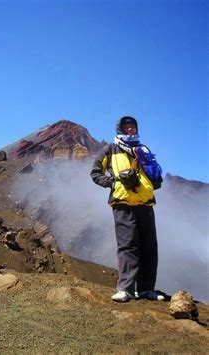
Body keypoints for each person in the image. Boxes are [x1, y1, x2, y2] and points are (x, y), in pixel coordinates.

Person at [90, 116, 164, 302]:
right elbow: (95, 172)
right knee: (128, 245)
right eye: (127, 127)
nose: (130, 129)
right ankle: (126, 289)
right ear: (120, 129)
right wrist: (113, 183)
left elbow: (156, 177)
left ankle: (146, 289)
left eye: (133, 127)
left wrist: (151, 181)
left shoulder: (142, 150)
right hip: (122, 203)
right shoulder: (110, 149)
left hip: (145, 203)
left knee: (149, 247)